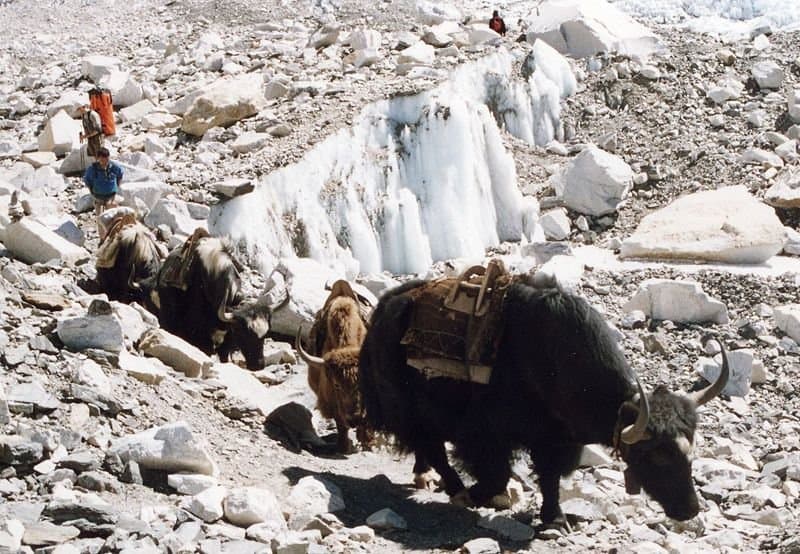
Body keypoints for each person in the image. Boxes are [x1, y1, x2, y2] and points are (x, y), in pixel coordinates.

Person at [83, 147, 124, 241]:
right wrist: (91, 192)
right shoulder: (93, 169)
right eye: (102, 160)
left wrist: (117, 187)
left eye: (106, 160)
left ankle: (114, 236)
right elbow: (87, 180)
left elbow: (120, 174)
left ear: (109, 157)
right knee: (100, 218)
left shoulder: (114, 167)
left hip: (111, 196)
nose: (104, 162)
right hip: (98, 197)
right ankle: (102, 239)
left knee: (113, 217)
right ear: (98, 159)